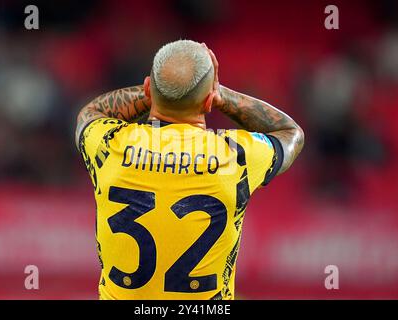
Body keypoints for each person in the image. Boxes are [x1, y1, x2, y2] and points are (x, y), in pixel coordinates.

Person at [75, 40, 304, 300]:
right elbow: (290, 133)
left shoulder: (108, 143)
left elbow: (92, 112)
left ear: (149, 87)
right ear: (208, 101)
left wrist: (161, 89)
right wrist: (220, 94)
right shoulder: (236, 154)